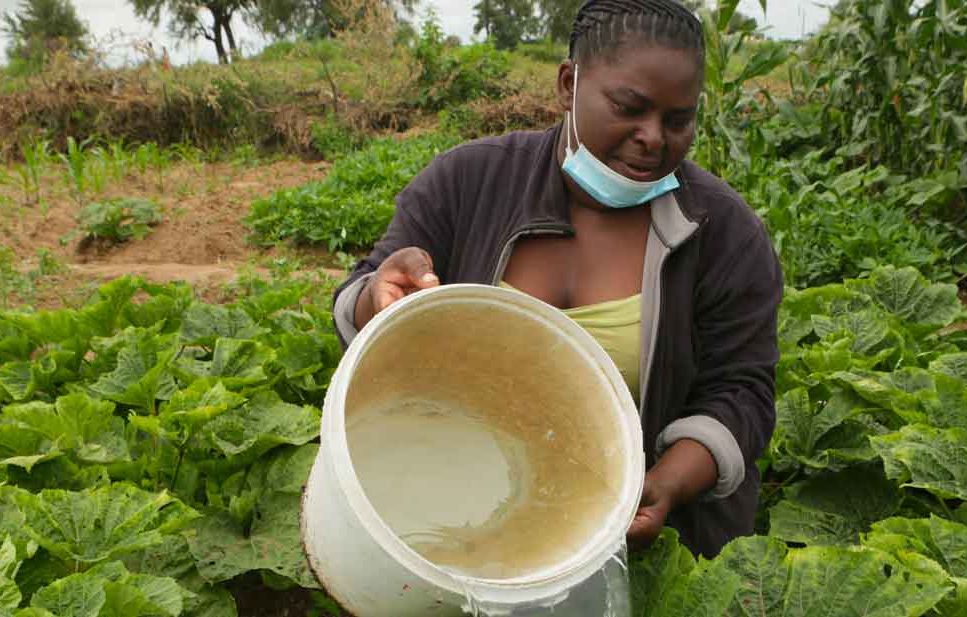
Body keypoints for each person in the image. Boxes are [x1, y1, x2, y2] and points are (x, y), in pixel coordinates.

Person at [330, 0, 781, 558]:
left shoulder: (723, 232)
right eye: (629, 107)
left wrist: (664, 483)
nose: (653, 137)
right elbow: (362, 297)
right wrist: (379, 300)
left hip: (634, 532)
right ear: (569, 84)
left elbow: (742, 392)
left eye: (677, 120)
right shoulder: (468, 182)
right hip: (456, 505)